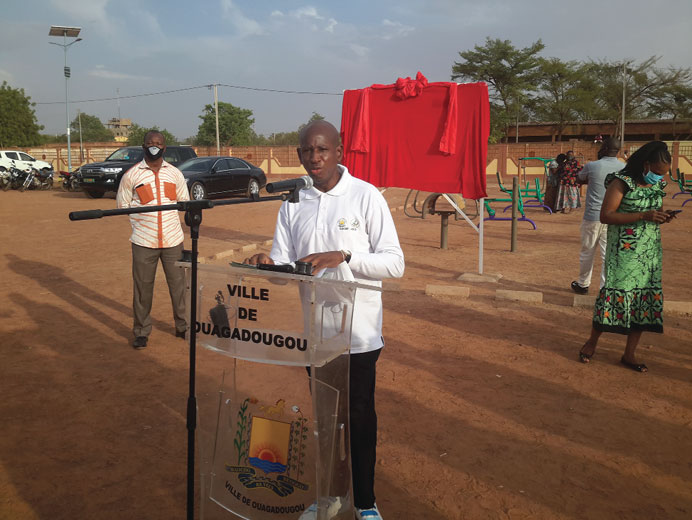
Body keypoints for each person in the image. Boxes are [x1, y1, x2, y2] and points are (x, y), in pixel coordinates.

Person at [245, 120, 405, 520]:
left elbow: (395, 263)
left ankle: (365, 502)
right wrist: (269, 266)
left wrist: (345, 256)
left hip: (358, 334)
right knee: (327, 421)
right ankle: (331, 494)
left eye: (322, 150)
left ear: (339, 151)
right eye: (306, 150)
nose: (314, 158)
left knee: (359, 418)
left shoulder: (365, 196)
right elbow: (286, 267)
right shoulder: (292, 202)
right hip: (317, 335)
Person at [578, 141, 678, 372]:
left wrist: (662, 216)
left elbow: (654, 210)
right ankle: (591, 342)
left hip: (649, 253)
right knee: (613, 294)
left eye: (663, 174)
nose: (659, 177)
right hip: (623, 252)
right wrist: (643, 215)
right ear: (646, 164)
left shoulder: (656, 185)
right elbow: (606, 216)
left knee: (643, 299)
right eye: (657, 172)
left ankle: (629, 353)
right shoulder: (621, 182)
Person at [116, 131, 190, 349]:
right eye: (150, 143)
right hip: (143, 241)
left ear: (164, 148)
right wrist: (141, 220)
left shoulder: (175, 174)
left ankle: (183, 326)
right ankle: (141, 331)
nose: (154, 146)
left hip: (173, 240)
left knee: (178, 286)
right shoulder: (131, 175)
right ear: (143, 146)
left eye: (158, 143)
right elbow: (122, 206)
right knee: (142, 288)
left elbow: (184, 202)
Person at [570, 138, 623, 294]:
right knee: (608, 254)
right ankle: (606, 288)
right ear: (618, 151)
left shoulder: (592, 166)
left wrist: (593, 180)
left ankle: (583, 284)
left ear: (604, 148)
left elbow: (579, 179)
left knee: (587, 252)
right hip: (614, 217)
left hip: (593, 216)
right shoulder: (624, 168)